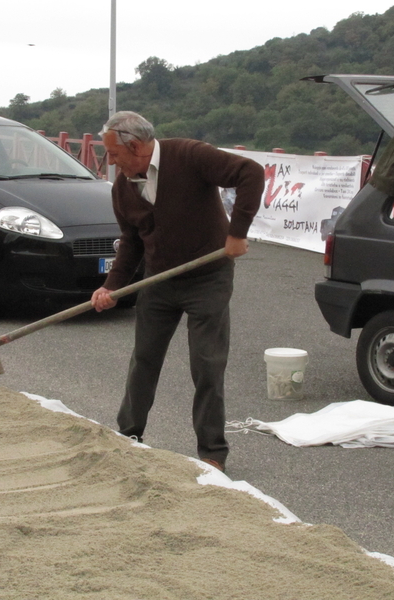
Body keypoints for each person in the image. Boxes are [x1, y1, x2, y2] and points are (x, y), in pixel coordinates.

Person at [91, 111, 264, 473]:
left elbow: (249, 173)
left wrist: (237, 232)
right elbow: (131, 242)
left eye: (113, 153)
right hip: (159, 280)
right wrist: (112, 287)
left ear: (135, 146)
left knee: (206, 364)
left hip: (208, 277)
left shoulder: (188, 155)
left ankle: (212, 453)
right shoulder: (123, 188)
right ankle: (128, 436)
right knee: (144, 359)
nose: (110, 161)